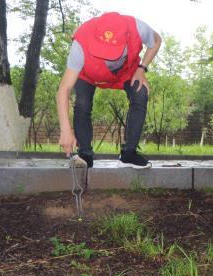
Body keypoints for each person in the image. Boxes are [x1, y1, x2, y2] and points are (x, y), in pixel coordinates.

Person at [56, 12, 162, 168]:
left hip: (126, 72)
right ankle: (85, 154)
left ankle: (129, 154)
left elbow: (157, 40)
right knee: (82, 103)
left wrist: (141, 68)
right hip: (89, 74)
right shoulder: (81, 41)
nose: (108, 57)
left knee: (140, 93)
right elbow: (63, 90)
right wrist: (65, 130)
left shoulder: (138, 28)